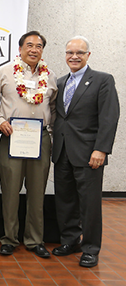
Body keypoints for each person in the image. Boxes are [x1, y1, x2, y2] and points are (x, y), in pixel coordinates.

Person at [52, 36, 119, 268]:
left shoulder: (102, 80)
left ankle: (91, 248)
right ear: (65, 55)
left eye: (80, 52)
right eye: (70, 52)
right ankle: (70, 240)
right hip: (61, 153)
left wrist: (101, 149)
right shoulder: (60, 82)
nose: (74, 56)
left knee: (89, 204)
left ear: (88, 55)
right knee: (65, 200)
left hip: (89, 153)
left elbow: (109, 117)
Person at [0, 31, 57, 258]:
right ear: (19, 49)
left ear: (42, 50)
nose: (34, 49)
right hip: (12, 137)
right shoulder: (4, 72)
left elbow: (55, 108)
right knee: (10, 191)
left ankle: (34, 240)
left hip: (40, 139)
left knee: (37, 192)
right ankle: (9, 239)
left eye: (39, 46)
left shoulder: (50, 77)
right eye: (29, 45)